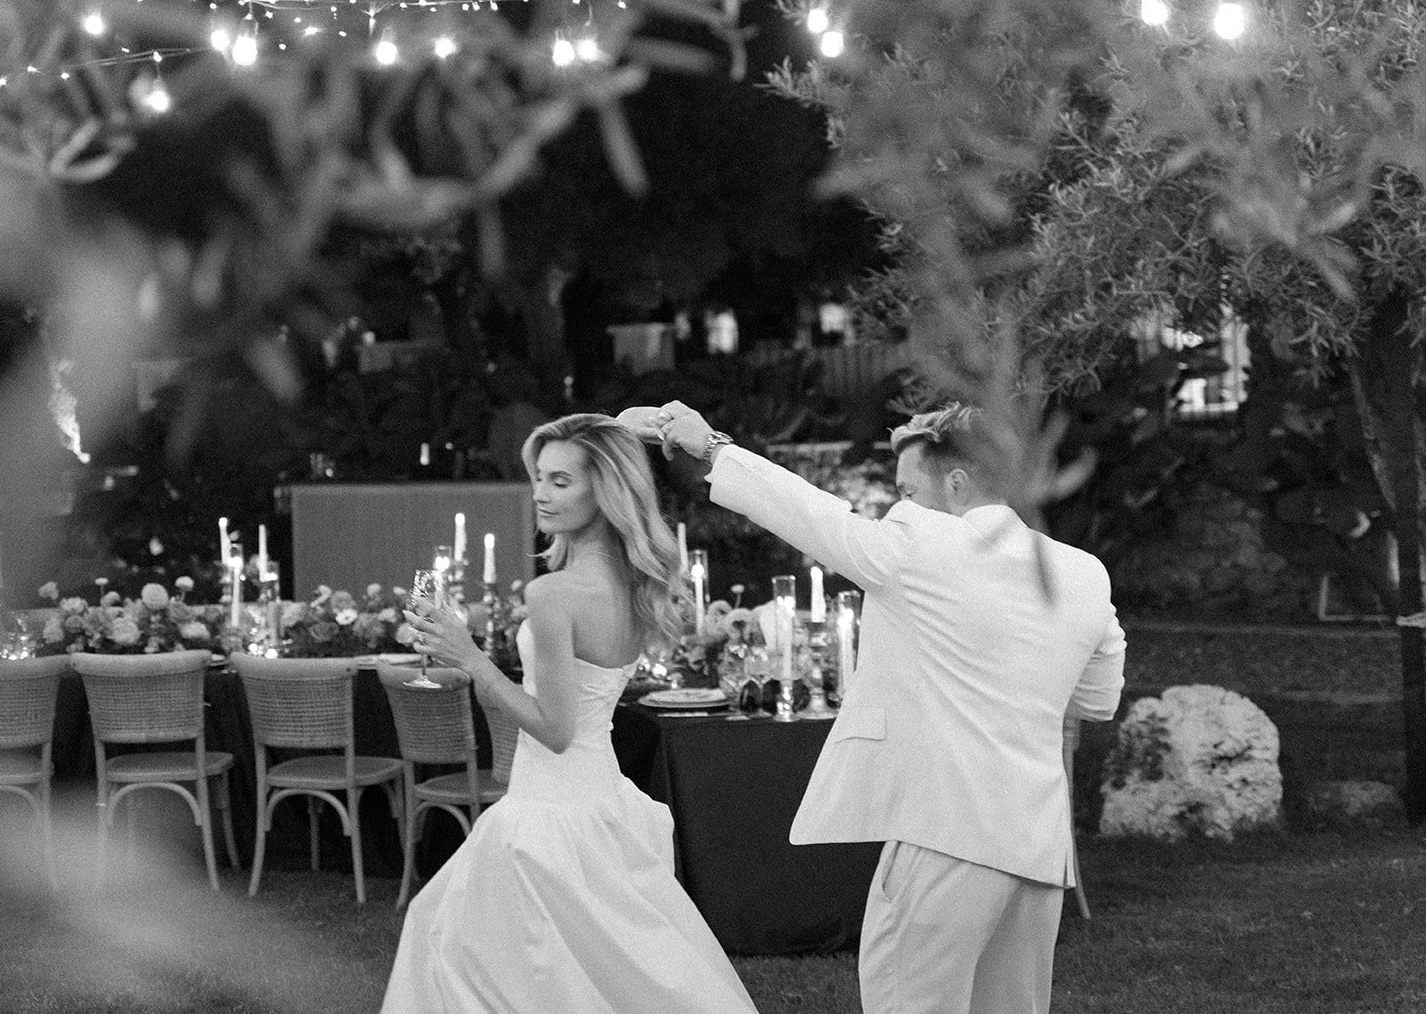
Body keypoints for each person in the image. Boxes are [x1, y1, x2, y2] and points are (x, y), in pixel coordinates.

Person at [622, 401, 1125, 1014]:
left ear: (957, 484)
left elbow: (812, 515)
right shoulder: (1084, 573)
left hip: (945, 836)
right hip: (1037, 850)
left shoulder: (921, 546)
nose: (900, 504)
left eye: (909, 490)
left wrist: (711, 446)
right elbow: (1097, 702)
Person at [380, 413, 758, 1013]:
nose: (540, 493)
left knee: (473, 955)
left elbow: (554, 730)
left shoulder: (553, 594)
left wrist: (471, 658)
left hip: (548, 809)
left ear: (603, 491)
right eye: (538, 478)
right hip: (601, 799)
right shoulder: (632, 585)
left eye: (561, 481)